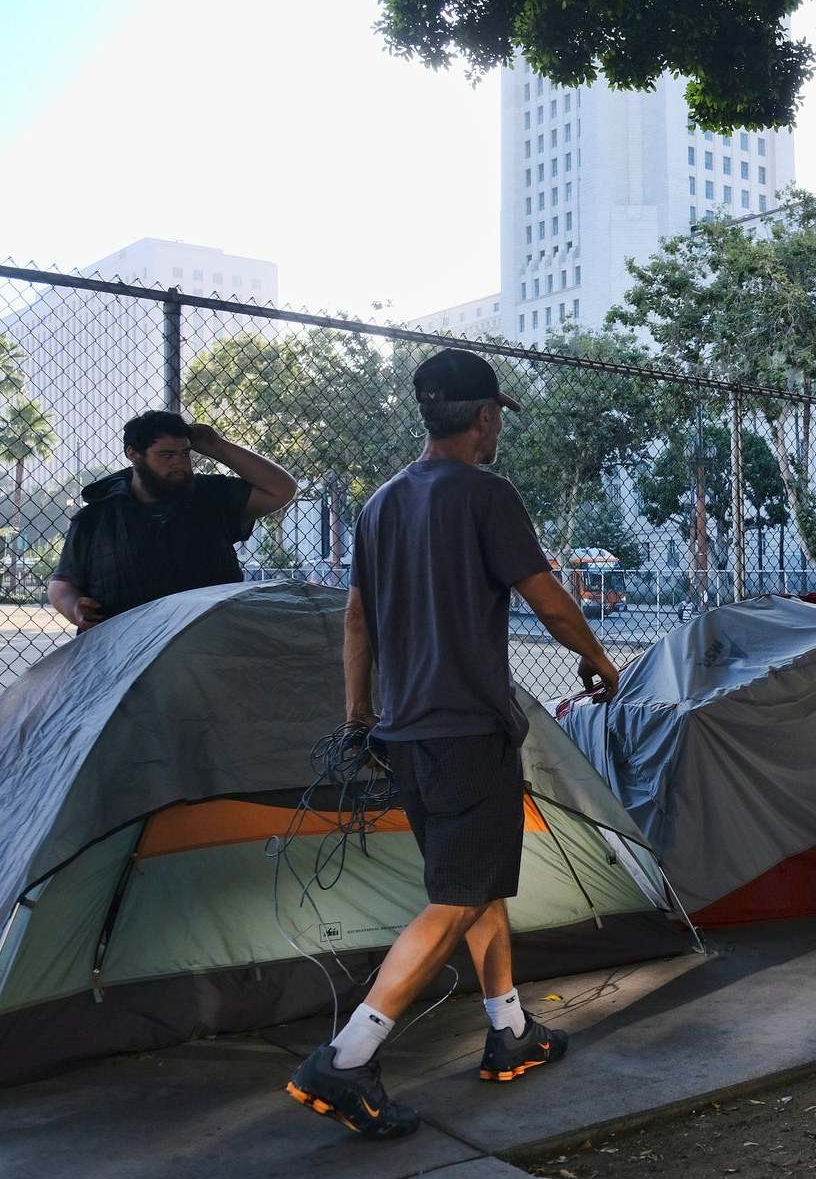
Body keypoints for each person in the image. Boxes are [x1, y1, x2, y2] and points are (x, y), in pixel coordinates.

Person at [285, 348, 622, 1141]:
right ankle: (346, 1055)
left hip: (404, 733)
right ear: (482, 416)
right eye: (497, 414)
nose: (496, 425)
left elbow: (357, 620)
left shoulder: (380, 505)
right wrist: (597, 657)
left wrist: (360, 716)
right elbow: (548, 597)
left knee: (471, 884)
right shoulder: (485, 493)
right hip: (466, 728)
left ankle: (510, 1032)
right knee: (458, 893)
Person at [48, 411, 298, 631]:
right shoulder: (96, 517)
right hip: (122, 648)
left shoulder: (212, 496)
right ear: (133, 454)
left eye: (185, 453)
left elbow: (281, 489)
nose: (179, 463)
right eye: (166, 455)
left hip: (208, 643)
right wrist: (74, 607)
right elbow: (62, 583)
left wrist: (217, 446)